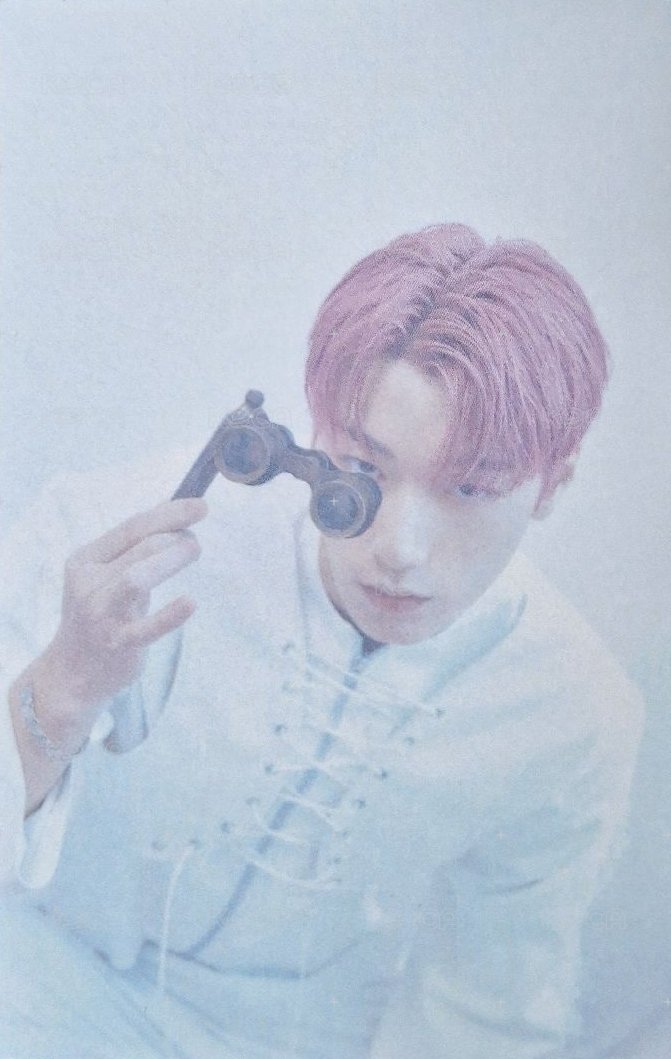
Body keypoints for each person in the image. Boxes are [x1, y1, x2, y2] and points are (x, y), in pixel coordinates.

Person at [0, 223, 643, 1059]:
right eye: (365, 469)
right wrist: (64, 687)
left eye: (471, 488)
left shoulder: (573, 713)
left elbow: (487, 1013)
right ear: (317, 423)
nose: (400, 550)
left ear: (552, 483)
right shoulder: (113, 538)